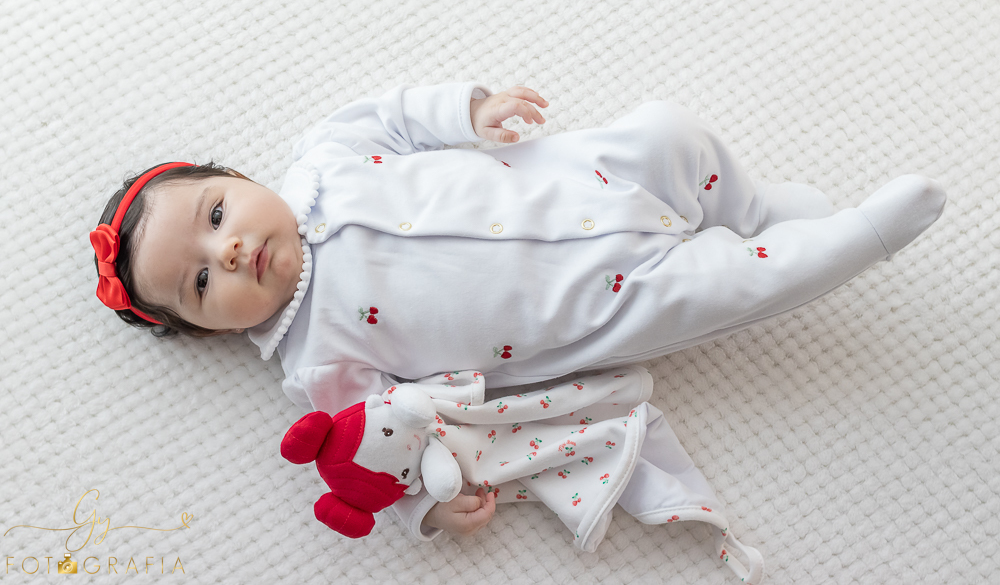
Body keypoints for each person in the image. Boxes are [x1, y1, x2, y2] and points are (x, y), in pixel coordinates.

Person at [91, 82, 946, 539]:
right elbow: (384, 444)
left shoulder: (324, 156)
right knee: (719, 286)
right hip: (596, 304)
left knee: (667, 131)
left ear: (237, 179)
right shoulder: (317, 361)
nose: (229, 252)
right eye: (201, 284)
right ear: (214, 332)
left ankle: (753, 210)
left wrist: (471, 109)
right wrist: (427, 504)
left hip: (578, 179)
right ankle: (854, 240)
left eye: (214, 217)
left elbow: (399, 114)